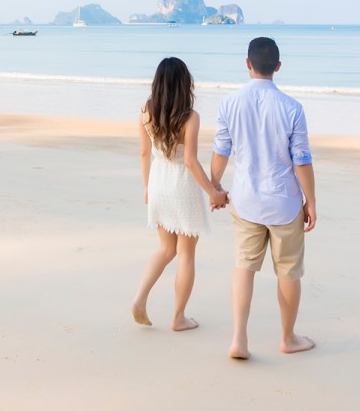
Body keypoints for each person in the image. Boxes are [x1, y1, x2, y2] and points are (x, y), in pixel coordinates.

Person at [210, 36, 317, 360]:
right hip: (283, 202)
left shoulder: (229, 103)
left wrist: (215, 187)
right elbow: (301, 159)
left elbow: (221, 151)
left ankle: (239, 339)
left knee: (244, 267)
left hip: (245, 201)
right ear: (278, 67)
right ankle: (288, 338)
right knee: (288, 271)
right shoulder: (292, 108)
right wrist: (310, 201)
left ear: (247, 64)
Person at [132, 57, 230, 331]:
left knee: (166, 249)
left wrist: (146, 187)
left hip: (158, 183)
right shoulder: (190, 117)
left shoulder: (145, 111)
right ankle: (178, 318)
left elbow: (143, 152)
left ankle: (139, 300)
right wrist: (213, 192)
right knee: (185, 254)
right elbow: (189, 160)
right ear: (185, 84)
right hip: (182, 187)